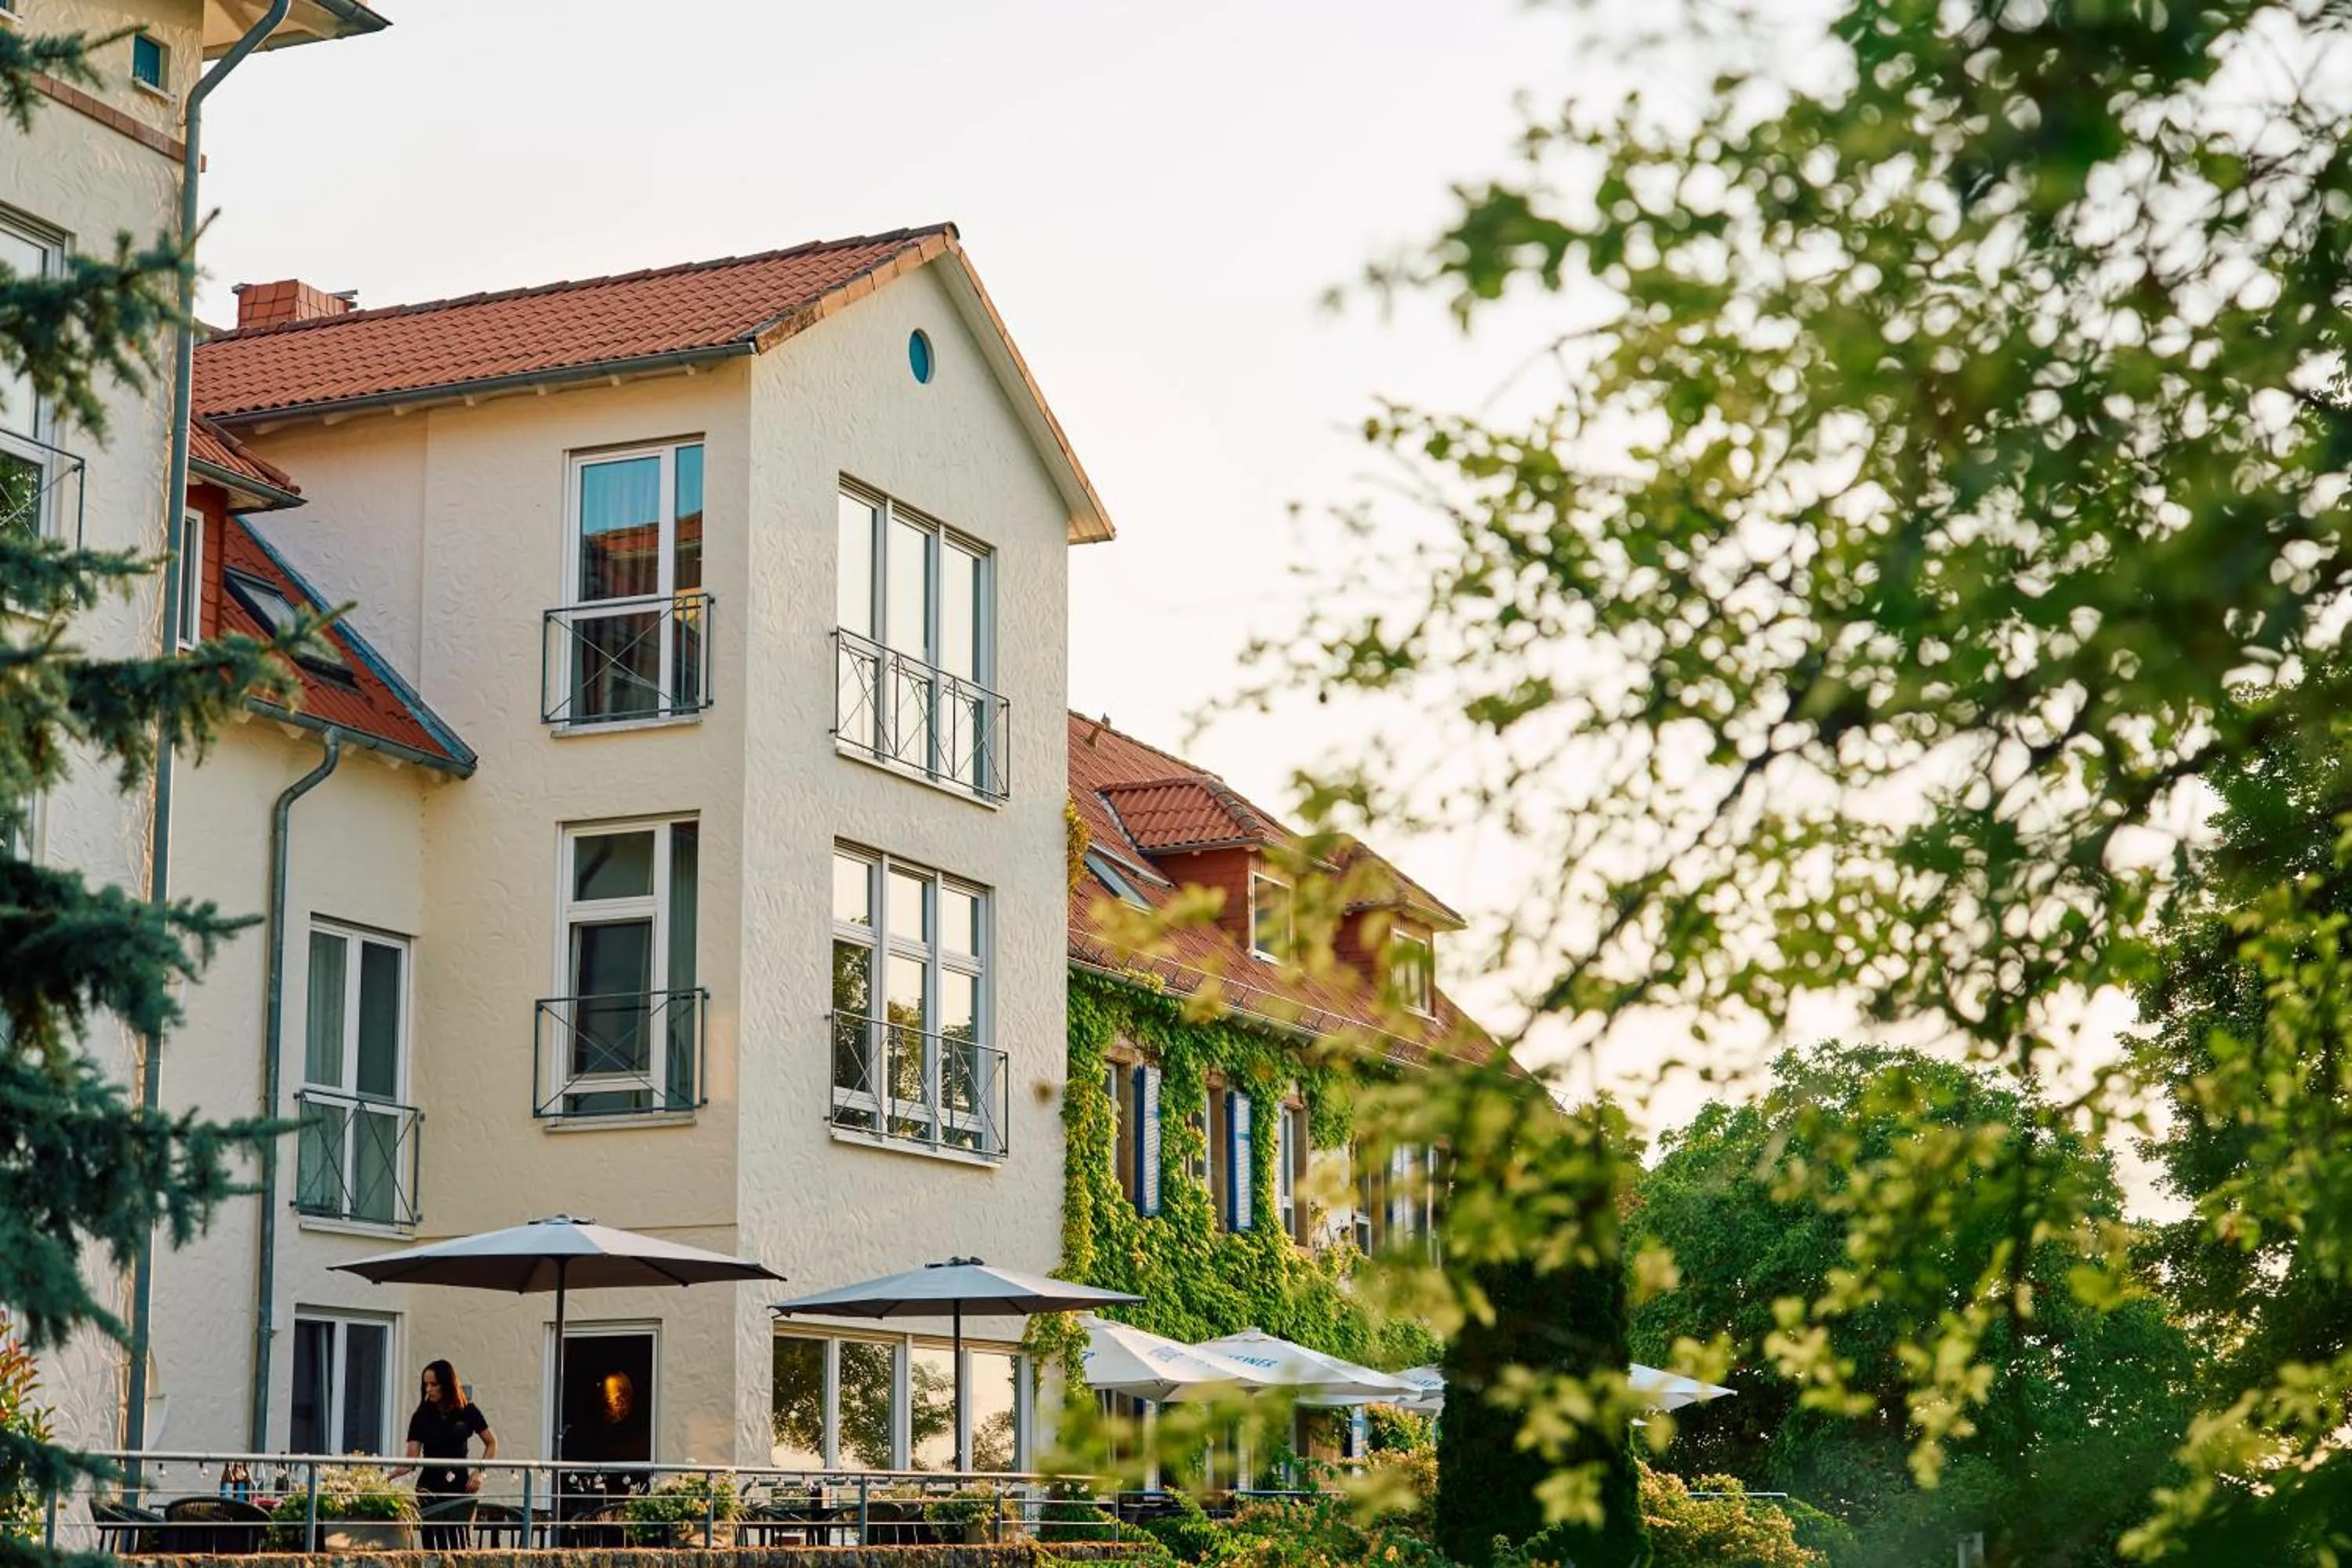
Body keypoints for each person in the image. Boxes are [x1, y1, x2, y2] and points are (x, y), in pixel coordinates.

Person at [390, 1359, 497, 1548]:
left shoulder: (468, 1411)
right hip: (429, 1488)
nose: (429, 1389)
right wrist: (387, 1476)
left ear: (447, 1384)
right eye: (426, 1384)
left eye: (434, 1384)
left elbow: (491, 1443)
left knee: (461, 1544)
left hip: (461, 1486)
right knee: (433, 1546)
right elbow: (410, 1461)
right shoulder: (421, 1415)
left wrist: (480, 1472)